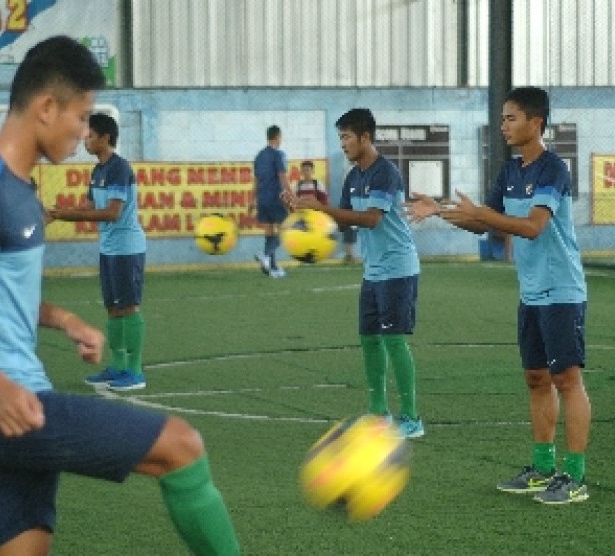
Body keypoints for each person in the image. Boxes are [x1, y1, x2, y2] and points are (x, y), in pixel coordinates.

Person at [0, 36, 240, 555]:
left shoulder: (16, 191)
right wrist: (0, 389)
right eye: (81, 118)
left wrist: (63, 320)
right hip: (7, 407)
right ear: (46, 107)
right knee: (182, 446)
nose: (84, 133)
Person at [407, 86, 590, 504]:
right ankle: (543, 469)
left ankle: (574, 476)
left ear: (535, 122)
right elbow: (482, 225)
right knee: (536, 378)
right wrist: (439, 211)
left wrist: (482, 214)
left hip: (562, 290)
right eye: (503, 118)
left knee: (567, 379)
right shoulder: (509, 172)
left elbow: (531, 227)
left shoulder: (553, 169)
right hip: (532, 294)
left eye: (511, 118)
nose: (503, 125)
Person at [285, 108, 424, 439]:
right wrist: (307, 215)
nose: (343, 144)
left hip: (398, 268)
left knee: (393, 339)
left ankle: (412, 418)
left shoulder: (384, 173)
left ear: (365, 137)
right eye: (341, 137)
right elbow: (345, 219)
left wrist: (322, 208)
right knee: (369, 339)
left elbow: (372, 218)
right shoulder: (354, 176)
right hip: (373, 270)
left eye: (347, 137)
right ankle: (378, 412)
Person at [46, 113, 147, 391]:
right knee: (114, 309)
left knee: (129, 307)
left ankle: (135, 371)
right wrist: (57, 213)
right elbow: (88, 206)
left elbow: (112, 214)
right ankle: (117, 367)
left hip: (127, 249)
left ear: (105, 137)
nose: (85, 140)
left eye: (90, 135)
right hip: (109, 249)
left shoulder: (119, 168)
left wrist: (64, 216)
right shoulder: (98, 170)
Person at [251, 125, 290, 278]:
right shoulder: (277, 155)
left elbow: (256, 181)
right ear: (277, 137)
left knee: (269, 232)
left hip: (262, 199)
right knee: (285, 229)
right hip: (275, 198)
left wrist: (252, 200)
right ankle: (265, 254)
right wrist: (291, 196)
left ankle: (272, 267)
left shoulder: (259, 156)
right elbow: (282, 177)